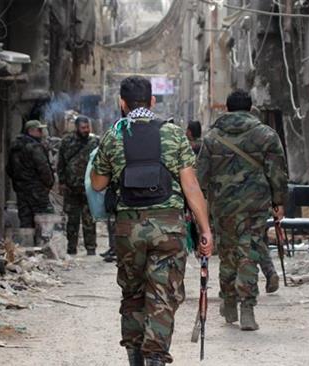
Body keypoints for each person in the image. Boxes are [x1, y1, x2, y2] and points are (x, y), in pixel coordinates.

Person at [91, 76, 213, 366]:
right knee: (163, 294)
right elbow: (191, 187)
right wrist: (205, 230)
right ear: (153, 101)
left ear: (122, 103)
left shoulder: (113, 136)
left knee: (132, 294)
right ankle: (155, 357)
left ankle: (135, 357)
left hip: (128, 229)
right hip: (168, 228)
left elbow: (97, 183)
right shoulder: (172, 134)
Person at [196, 90, 288, 331]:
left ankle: (228, 303)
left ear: (226, 109)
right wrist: (278, 202)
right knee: (249, 253)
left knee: (227, 254)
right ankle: (247, 307)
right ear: (250, 108)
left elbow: (200, 177)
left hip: (223, 208)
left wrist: (199, 208)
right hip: (255, 207)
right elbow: (277, 172)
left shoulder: (212, 138)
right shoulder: (266, 135)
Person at [57, 115, 100, 255]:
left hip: (89, 188)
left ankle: (91, 248)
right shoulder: (67, 142)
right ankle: (71, 248)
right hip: (71, 187)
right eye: (83, 128)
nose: (86, 130)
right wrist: (62, 182)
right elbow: (61, 164)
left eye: (88, 127)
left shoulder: (95, 141)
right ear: (76, 128)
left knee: (89, 220)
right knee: (72, 220)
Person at [7, 120, 55, 228]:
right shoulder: (34, 147)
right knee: (44, 217)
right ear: (31, 131)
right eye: (39, 130)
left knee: (25, 219)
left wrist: (19, 181)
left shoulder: (15, 146)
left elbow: (9, 169)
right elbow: (44, 168)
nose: (41, 133)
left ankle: (27, 242)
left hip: (21, 189)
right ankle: (42, 242)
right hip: (36, 189)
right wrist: (49, 184)